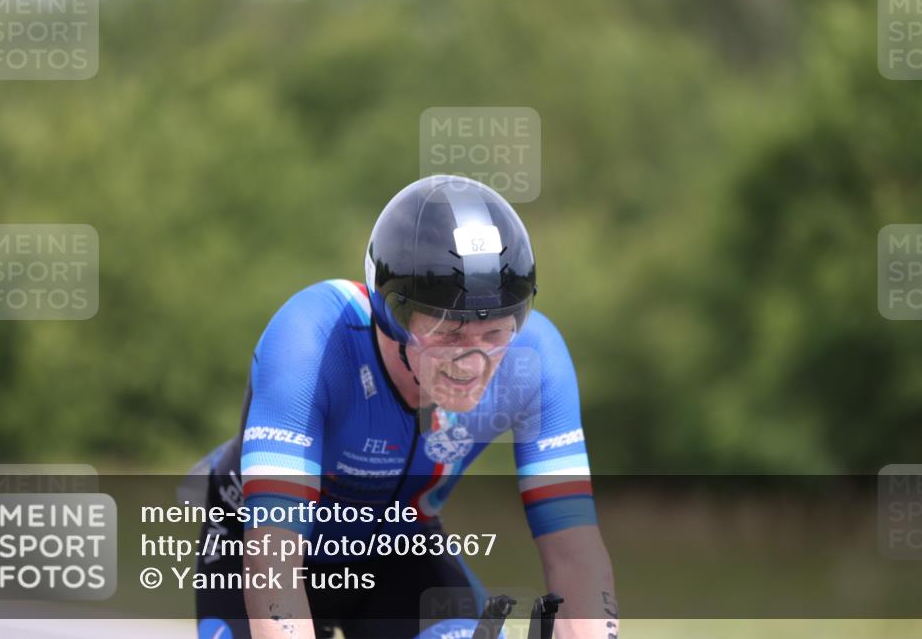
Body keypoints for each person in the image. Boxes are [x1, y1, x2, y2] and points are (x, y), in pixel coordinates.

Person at [194, 175, 617, 639]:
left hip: (401, 552)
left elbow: (573, 549)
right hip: (258, 547)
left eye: (495, 332)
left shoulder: (536, 359)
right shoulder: (313, 337)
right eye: (449, 333)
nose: (473, 360)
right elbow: (273, 551)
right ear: (390, 315)